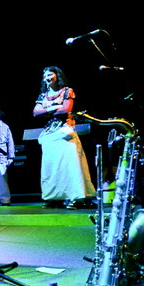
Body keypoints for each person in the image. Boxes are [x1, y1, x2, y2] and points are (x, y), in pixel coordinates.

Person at [32, 66, 97, 208]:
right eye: (45, 76)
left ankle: (78, 197)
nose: (47, 78)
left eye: (50, 74)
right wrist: (53, 108)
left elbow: (66, 109)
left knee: (71, 164)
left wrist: (46, 111)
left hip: (64, 131)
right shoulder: (43, 95)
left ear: (57, 76)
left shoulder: (67, 91)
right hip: (50, 133)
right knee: (51, 166)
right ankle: (54, 198)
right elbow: (36, 113)